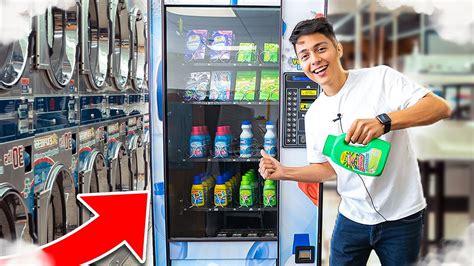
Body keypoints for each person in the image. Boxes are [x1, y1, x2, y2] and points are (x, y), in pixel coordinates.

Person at [259, 17, 451, 265]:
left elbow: (439, 107)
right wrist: (285, 172)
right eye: (304, 55)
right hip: (352, 218)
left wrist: (384, 122)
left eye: (320, 48)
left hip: (402, 217)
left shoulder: (380, 79)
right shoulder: (314, 115)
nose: (314, 60)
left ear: (338, 48)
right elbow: (327, 169)